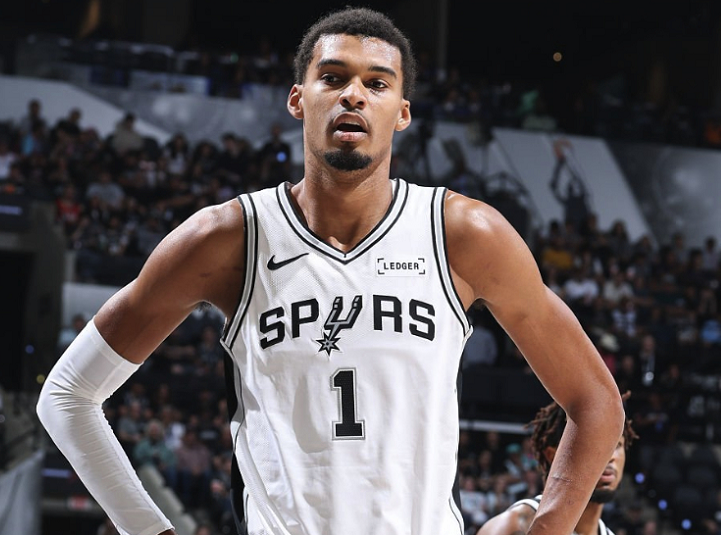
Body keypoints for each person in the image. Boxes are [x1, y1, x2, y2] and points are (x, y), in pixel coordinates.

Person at [36, 7, 625, 535]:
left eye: (377, 84)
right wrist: (149, 530)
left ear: (402, 113)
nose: (354, 96)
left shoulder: (463, 234)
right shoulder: (228, 238)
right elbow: (66, 396)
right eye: (334, 77)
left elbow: (596, 402)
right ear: (298, 99)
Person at [477, 392, 638, 535]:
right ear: (553, 455)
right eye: (595, 445)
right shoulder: (515, 525)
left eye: (616, 445)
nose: (609, 456)